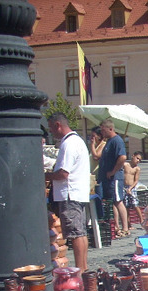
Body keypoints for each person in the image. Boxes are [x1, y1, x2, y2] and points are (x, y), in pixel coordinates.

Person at [45, 113, 91, 270]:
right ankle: (83, 269)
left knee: (76, 234)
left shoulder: (69, 144)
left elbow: (63, 173)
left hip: (70, 193)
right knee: (81, 233)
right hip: (77, 193)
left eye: (51, 128)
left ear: (58, 125)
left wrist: (45, 176)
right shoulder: (77, 141)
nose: (51, 132)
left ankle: (80, 270)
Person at [99, 119, 129, 238]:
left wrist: (113, 171)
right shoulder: (109, 141)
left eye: (103, 130)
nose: (102, 132)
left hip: (115, 177)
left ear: (110, 129)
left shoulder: (117, 141)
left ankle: (125, 228)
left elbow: (122, 157)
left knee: (118, 201)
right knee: (114, 201)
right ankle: (117, 226)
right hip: (108, 178)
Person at [124, 151, 144, 226]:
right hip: (124, 187)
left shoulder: (137, 169)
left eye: (140, 160)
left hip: (132, 188)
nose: (138, 161)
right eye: (137, 158)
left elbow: (136, 181)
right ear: (133, 156)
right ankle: (128, 224)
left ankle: (142, 221)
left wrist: (130, 188)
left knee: (135, 204)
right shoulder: (125, 165)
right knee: (126, 206)